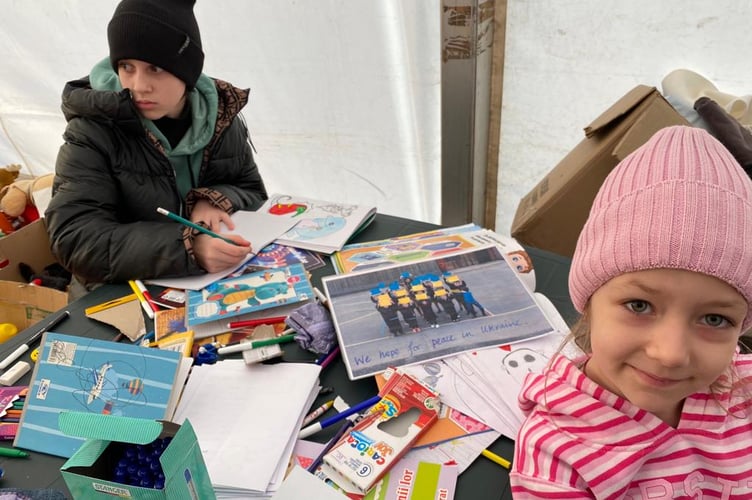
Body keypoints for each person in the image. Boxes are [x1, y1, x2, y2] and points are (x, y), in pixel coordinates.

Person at [511, 126, 752, 498]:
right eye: (639, 306)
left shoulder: (743, 389)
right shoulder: (558, 454)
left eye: (715, 319)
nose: (670, 354)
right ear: (589, 303)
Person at [45, 0, 267, 293]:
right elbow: (75, 237)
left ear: (186, 70)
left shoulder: (221, 118)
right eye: (126, 67)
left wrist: (212, 198)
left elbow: (252, 192)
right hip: (120, 295)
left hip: (212, 284)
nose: (139, 85)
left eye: (156, 68)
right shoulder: (91, 129)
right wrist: (189, 247)